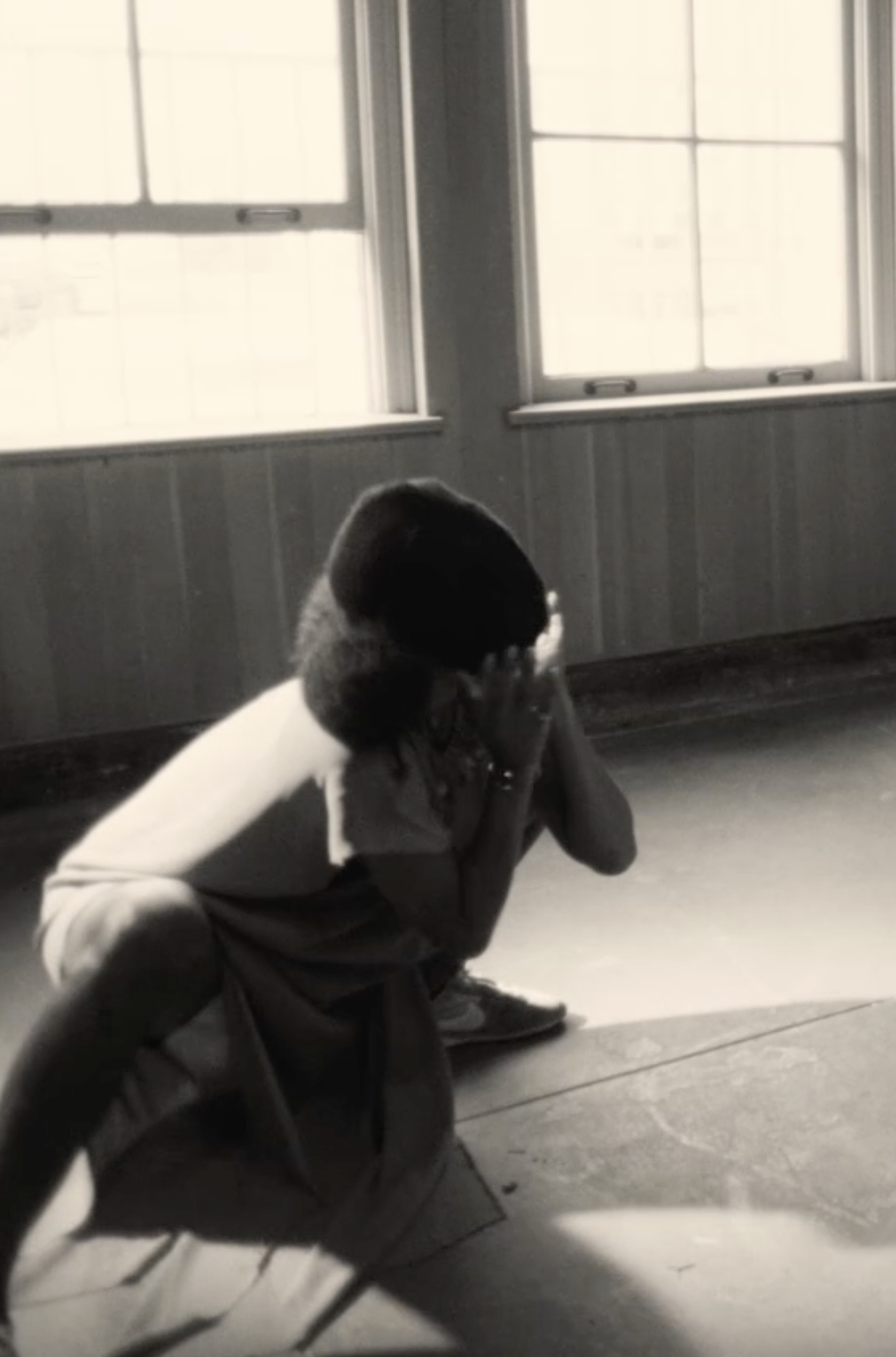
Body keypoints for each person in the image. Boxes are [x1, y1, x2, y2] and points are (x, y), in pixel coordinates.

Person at [0, 479, 636, 1352]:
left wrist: (549, 702)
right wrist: (514, 762)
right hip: (174, 931)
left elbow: (611, 847)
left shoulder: (469, 688)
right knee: (159, 931)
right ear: (438, 664)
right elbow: (466, 922)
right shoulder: (364, 746)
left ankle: (434, 995)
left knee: (498, 798)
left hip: (309, 944)